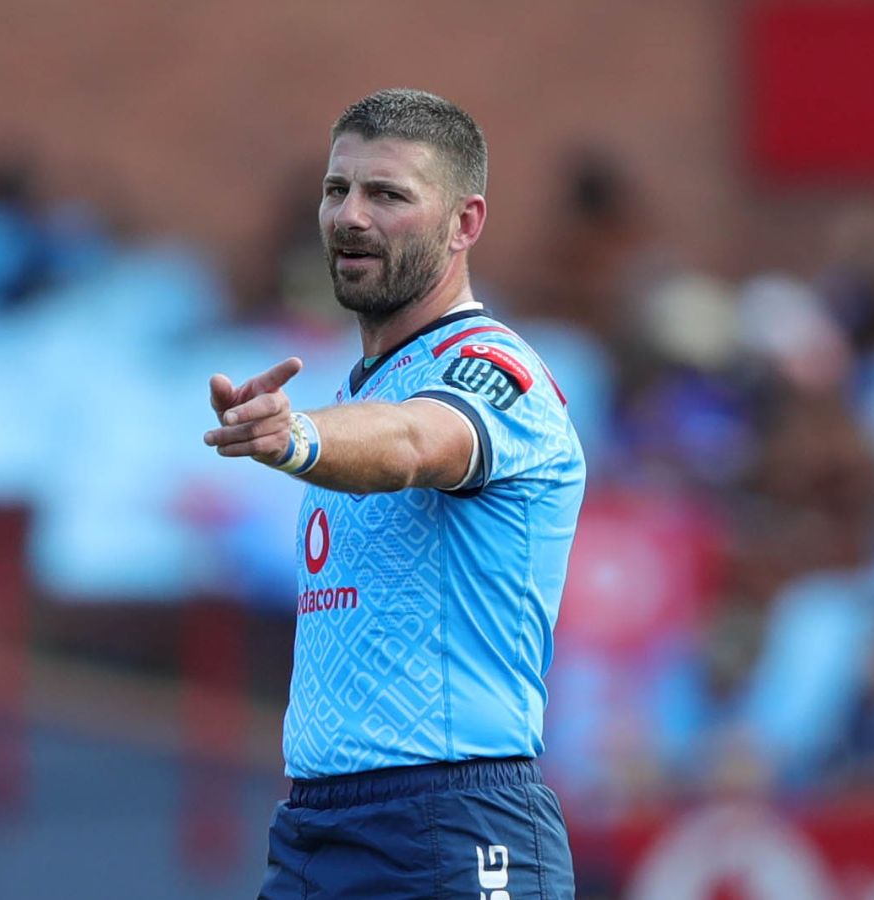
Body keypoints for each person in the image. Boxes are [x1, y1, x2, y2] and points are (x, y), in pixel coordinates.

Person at [203, 88, 586, 898]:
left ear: (465, 223)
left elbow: (418, 441)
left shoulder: (496, 370)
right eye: (337, 189)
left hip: (454, 824)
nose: (350, 216)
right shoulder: (365, 389)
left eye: (388, 195)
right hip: (317, 826)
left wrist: (298, 438)